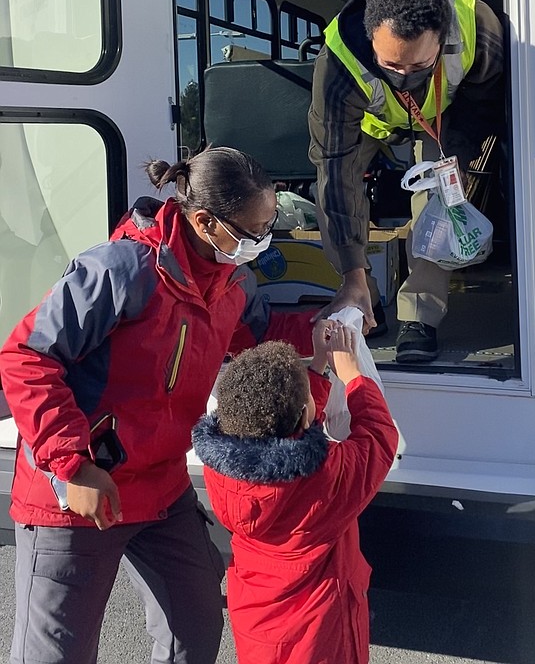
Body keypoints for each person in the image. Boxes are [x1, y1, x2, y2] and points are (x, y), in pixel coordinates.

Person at [0, 146, 317, 664]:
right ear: (205, 222)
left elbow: (259, 337)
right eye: (251, 232)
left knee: (194, 626)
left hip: (162, 487)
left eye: (268, 226)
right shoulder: (122, 270)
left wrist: (323, 331)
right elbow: (26, 357)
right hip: (78, 491)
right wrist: (71, 465)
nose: (261, 243)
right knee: (55, 653)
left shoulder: (233, 278)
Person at [308, 0, 505, 363]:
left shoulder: (478, 31)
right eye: (390, 65)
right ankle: (363, 296)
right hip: (368, 122)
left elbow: (484, 104)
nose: (403, 78)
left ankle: (419, 316)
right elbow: (334, 166)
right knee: (331, 192)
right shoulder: (338, 62)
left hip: (445, 114)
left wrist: (455, 162)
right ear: (370, 39)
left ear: (443, 37)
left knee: (439, 200)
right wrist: (350, 270)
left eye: (419, 66)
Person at [192, 321, 399, 664]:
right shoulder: (325, 476)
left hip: (259, 628)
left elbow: (287, 435)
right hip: (319, 636)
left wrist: (316, 368)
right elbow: (379, 438)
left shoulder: (221, 469)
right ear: (305, 415)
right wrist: (353, 375)